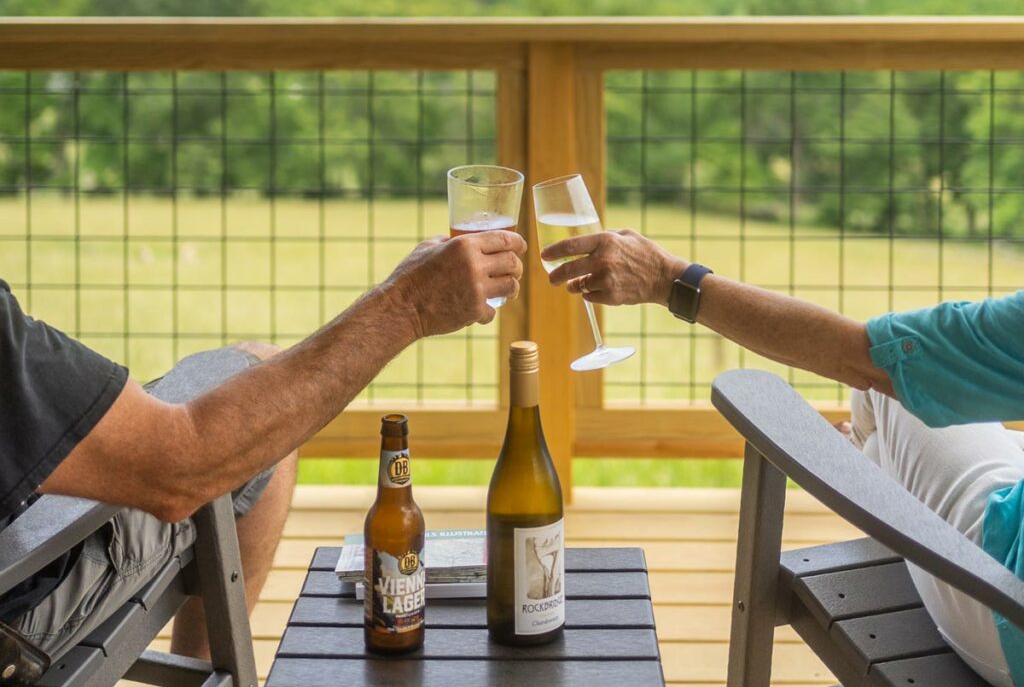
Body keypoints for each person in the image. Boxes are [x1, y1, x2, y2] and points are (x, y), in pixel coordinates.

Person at [0, 229, 526, 660]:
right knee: (254, 441)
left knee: (252, 364)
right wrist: (408, 304)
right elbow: (181, 467)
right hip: (17, 601)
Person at [541, 228, 1024, 687]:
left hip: (1004, 609)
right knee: (895, 394)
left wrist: (668, 278)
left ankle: (871, 461)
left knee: (888, 388)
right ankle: (874, 458)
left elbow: (864, 358)